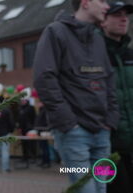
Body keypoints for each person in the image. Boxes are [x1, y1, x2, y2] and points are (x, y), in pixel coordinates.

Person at [33, 0, 119, 193]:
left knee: (101, 188)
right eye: (103, 1)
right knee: (85, 189)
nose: (107, 7)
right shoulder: (55, 32)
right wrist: (69, 123)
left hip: (102, 133)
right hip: (74, 134)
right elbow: (44, 78)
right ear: (86, 3)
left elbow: (109, 80)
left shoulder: (97, 38)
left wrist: (110, 121)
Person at [100, 2, 133, 193]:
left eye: (126, 15)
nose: (124, 19)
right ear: (103, 21)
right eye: (117, 15)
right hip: (106, 148)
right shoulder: (93, 55)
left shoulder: (130, 55)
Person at [17, 99, 36, 168]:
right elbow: (19, 119)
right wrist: (19, 127)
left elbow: (34, 118)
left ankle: (33, 157)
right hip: (23, 129)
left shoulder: (31, 108)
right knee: (23, 144)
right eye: (21, 101)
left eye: (24, 100)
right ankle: (25, 157)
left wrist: (33, 127)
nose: (22, 102)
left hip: (29, 129)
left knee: (31, 144)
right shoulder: (20, 108)